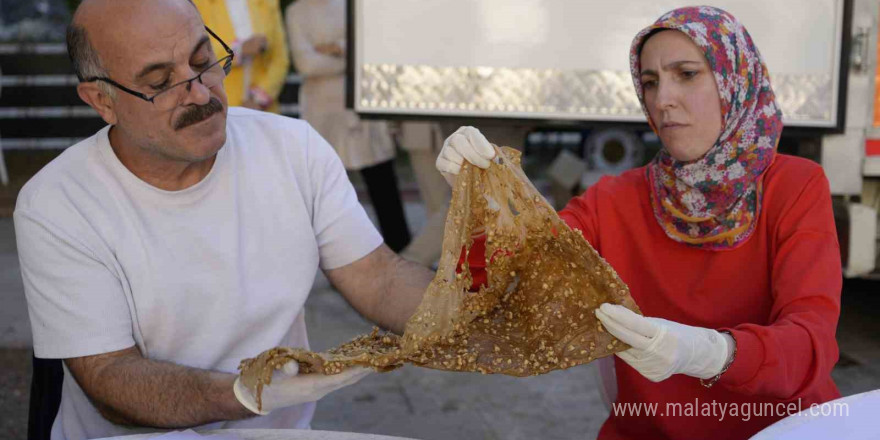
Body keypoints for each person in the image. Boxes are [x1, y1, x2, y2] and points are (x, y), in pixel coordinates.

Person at [15, 1, 433, 438]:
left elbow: (378, 277)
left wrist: (482, 309)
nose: (200, 94)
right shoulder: (57, 203)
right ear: (102, 100)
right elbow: (109, 377)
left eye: (203, 61)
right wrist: (244, 393)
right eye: (160, 82)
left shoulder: (292, 149)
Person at [437, 6, 841, 439]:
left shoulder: (795, 185)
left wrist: (710, 353)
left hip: (786, 430)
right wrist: (481, 211)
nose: (662, 99)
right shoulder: (613, 200)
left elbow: (809, 343)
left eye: (686, 74)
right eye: (650, 82)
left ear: (734, 80)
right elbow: (508, 283)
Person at [285, 0, 411, 252]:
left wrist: (334, 48)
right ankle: (342, 259)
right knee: (331, 194)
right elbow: (306, 64)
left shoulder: (354, 4)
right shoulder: (296, 11)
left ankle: (404, 252)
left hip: (362, 108)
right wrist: (348, 56)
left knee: (382, 184)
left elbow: (370, 47)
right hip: (324, 114)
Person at [191, 0, 289, 112]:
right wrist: (238, 51)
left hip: (263, 112)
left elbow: (280, 59)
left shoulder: (267, 3)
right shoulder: (197, 4)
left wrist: (258, 98)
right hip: (218, 109)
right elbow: (196, 57)